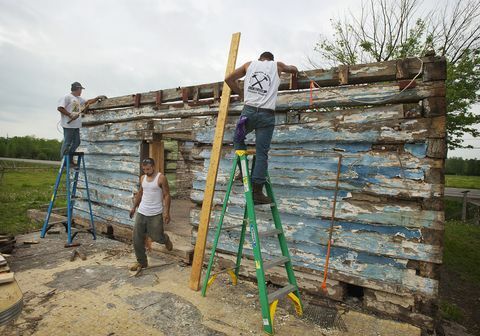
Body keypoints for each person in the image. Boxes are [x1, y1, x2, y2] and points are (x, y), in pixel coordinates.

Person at [225, 51, 298, 204]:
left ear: (260, 59)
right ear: (271, 59)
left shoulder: (248, 65)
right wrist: (294, 70)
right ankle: (257, 192)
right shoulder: (277, 66)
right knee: (262, 152)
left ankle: (242, 169)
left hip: (248, 113)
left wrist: (241, 93)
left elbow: (228, 79)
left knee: (238, 139)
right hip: (267, 115)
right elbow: (293, 68)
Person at [129, 158, 173, 271]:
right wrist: (134, 207)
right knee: (136, 238)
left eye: (148, 169)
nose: (146, 171)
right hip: (142, 211)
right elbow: (140, 193)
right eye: (144, 169)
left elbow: (167, 195)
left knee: (156, 237)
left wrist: (166, 212)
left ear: (153, 166)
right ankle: (142, 262)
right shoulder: (142, 178)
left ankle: (165, 239)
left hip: (155, 213)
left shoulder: (161, 178)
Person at [57, 82, 106, 166]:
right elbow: (60, 108)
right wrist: (70, 114)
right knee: (67, 142)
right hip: (68, 125)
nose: (81, 91)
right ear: (77, 88)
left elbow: (88, 102)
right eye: (80, 89)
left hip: (76, 125)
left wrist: (97, 98)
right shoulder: (67, 97)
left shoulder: (79, 99)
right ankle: (65, 161)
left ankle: (70, 159)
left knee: (77, 142)